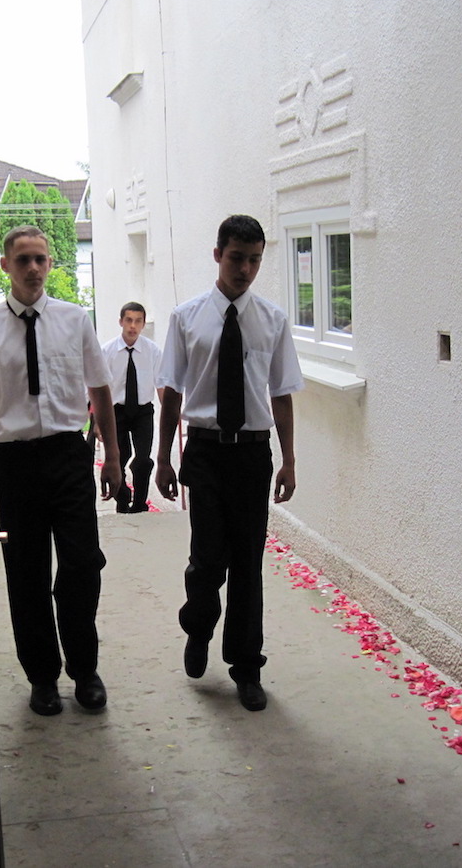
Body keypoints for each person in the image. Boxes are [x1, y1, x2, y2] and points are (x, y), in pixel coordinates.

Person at [0, 225, 122, 716]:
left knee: (82, 563)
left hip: (68, 455)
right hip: (15, 463)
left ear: (51, 264)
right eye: (23, 260)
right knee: (26, 571)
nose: (33, 268)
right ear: (5, 266)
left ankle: (85, 669)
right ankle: (42, 677)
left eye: (41, 259)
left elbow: (100, 389)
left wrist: (113, 457)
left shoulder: (75, 320)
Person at [155, 214, 304, 711]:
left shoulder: (273, 320)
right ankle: (198, 626)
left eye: (255, 260)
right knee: (207, 558)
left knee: (247, 563)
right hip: (204, 450)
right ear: (218, 255)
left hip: (252, 454)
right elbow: (171, 393)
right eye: (237, 258)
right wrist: (163, 458)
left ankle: (246, 666)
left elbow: (281, 394)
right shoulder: (186, 318)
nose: (245, 269)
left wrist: (289, 460)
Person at [101, 301, 164, 513]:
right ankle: (122, 497)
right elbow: (99, 388)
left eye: (138, 321)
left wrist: (169, 414)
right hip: (116, 412)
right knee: (118, 457)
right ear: (121, 322)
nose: (133, 326)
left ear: (144, 324)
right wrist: (97, 421)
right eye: (128, 320)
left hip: (143, 411)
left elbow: (161, 384)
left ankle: (139, 503)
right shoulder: (107, 351)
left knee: (143, 459)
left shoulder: (152, 351)